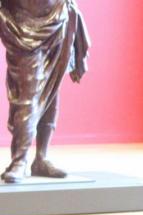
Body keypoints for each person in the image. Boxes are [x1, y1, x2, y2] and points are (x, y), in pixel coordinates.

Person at [0, 0, 89, 184]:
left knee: (52, 91)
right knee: (27, 95)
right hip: (22, 27)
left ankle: (41, 157)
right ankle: (19, 160)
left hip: (58, 19)